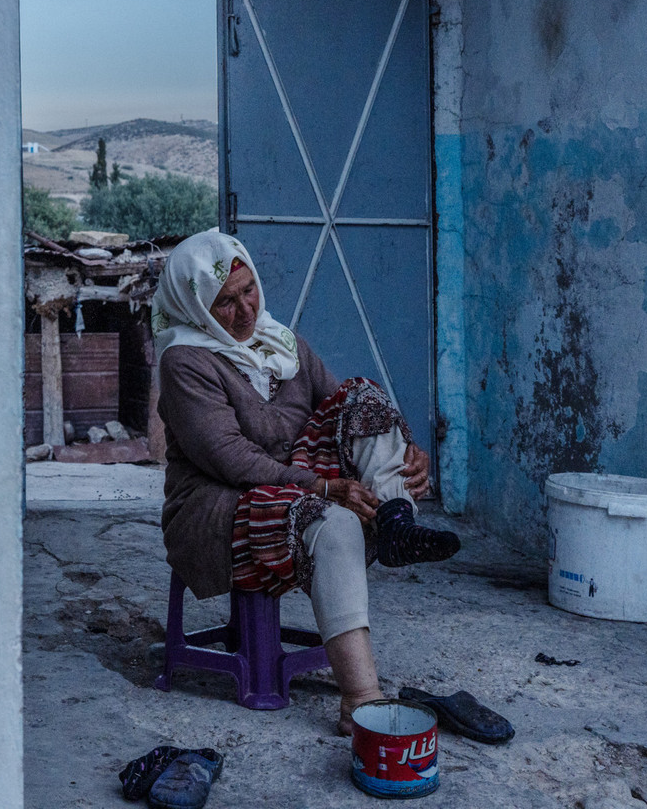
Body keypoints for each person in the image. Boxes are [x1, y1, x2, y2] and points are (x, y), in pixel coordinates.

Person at [153, 230, 460, 734]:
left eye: (249, 290)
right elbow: (230, 459)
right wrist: (320, 487)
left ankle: (396, 518)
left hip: (294, 482)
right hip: (217, 506)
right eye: (225, 302)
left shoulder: (282, 344)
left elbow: (345, 410)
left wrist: (407, 451)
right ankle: (361, 698)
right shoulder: (185, 360)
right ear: (197, 307)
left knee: (363, 396)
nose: (245, 310)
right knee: (331, 520)